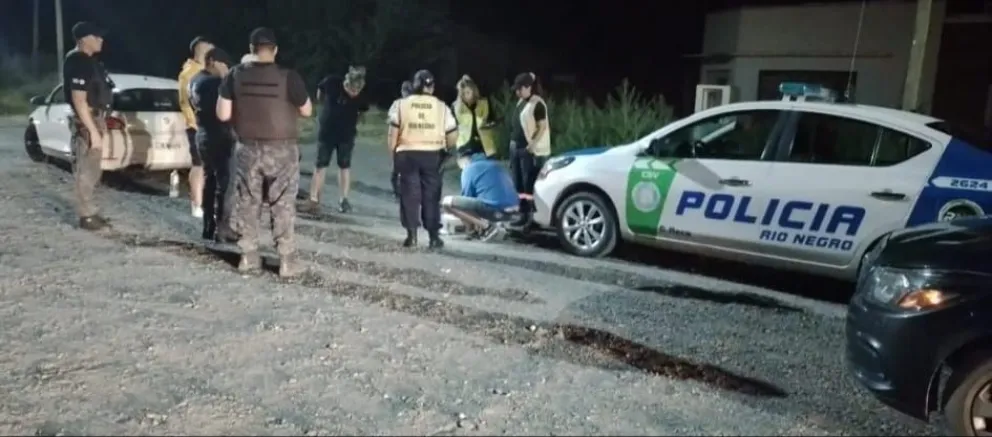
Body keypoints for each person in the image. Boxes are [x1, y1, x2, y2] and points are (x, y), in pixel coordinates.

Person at [216, 27, 312, 277]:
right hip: (283, 150)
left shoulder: (235, 75)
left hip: (248, 148)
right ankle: (287, 261)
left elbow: (223, 114)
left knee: (247, 202)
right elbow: (307, 110)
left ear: (250, 50)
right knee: (283, 204)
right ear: (275, 50)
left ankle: (248, 258)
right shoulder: (289, 76)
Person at [388, 69, 457, 248]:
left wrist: (394, 157)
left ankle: (412, 236)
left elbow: (392, 134)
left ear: (416, 85)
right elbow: (452, 134)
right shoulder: (442, 107)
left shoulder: (401, 105)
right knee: (431, 196)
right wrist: (447, 151)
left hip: (407, 154)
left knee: (409, 195)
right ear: (432, 87)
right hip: (432, 155)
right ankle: (434, 237)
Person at [63, 22, 113, 231]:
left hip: (95, 118)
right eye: (96, 36)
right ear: (83, 39)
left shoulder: (89, 61)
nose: (101, 40)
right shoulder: (78, 61)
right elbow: (79, 100)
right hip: (88, 120)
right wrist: (93, 130)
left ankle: (90, 211)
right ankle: (86, 216)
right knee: (86, 169)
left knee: (92, 169)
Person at [304, 66, 368, 214]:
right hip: (327, 132)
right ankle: (314, 198)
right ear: (347, 83)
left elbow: (362, 111)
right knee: (321, 165)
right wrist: (322, 110)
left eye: (357, 91)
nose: (354, 94)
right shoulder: (332, 82)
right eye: (352, 90)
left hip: (346, 135)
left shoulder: (361, 95)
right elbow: (320, 92)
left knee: (344, 166)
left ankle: (343, 200)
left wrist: (353, 123)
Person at [189, 47, 236, 243]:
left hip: (203, 133)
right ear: (214, 62)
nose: (226, 69)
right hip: (219, 136)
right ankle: (223, 228)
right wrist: (227, 77)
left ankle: (209, 226)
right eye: (224, 65)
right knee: (226, 182)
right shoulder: (213, 82)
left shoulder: (195, 80)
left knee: (210, 180)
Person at [442, 147, 519, 241]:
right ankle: (484, 228)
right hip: (514, 210)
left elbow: (467, 196)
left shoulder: (469, 168)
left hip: (494, 209)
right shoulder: (494, 164)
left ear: (463, 159)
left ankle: (485, 228)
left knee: (447, 202)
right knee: (482, 200)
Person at [178, 36, 215, 219]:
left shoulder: (204, 70)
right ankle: (197, 204)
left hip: (208, 126)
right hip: (196, 126)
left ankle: (206, 202)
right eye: (210, 47)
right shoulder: (189, 73)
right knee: (198, 165)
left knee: (207, 166)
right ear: (201, 50)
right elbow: (189, 101)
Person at [508, 72, 551, 195]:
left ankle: (528, 210)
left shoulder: (538, 104)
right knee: (517, 182)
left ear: (528, 87)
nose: (517, 93)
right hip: (515, 146)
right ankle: (520, 207)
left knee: (528, 182)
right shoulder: (521, 101)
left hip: (526, 149)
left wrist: (532, 145)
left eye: (519, 89)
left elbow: (542, 127)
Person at [452, 75, 496, 157]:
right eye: (463, 94)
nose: (466, 96)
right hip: (465, 146)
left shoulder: (484, 103)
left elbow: (491, 119)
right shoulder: (456, 106)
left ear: (474, 90)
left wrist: (489, 124)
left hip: (485, 145)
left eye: (468, 92)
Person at [389, 80, 414, 199]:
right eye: (405, 91)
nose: (406, 94)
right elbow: (391, 121)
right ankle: (396, 191)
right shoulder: (397, 104)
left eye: (408, 92)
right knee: (396, 166)